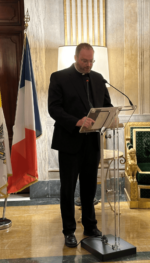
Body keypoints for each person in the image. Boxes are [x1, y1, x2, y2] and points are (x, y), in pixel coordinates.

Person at [48, 43, 113, 248]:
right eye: (84, 60)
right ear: (76, 57)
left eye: (91, 61)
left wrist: (110, 117)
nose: (88, 64)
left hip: (92, 142)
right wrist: (77, 121)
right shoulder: (59, 77)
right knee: (68, 188)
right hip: (69, 142)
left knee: (89, 186)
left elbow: (106, 105)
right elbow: (54, 109)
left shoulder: (98, 78)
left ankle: (90, 225)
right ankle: (69, 230)